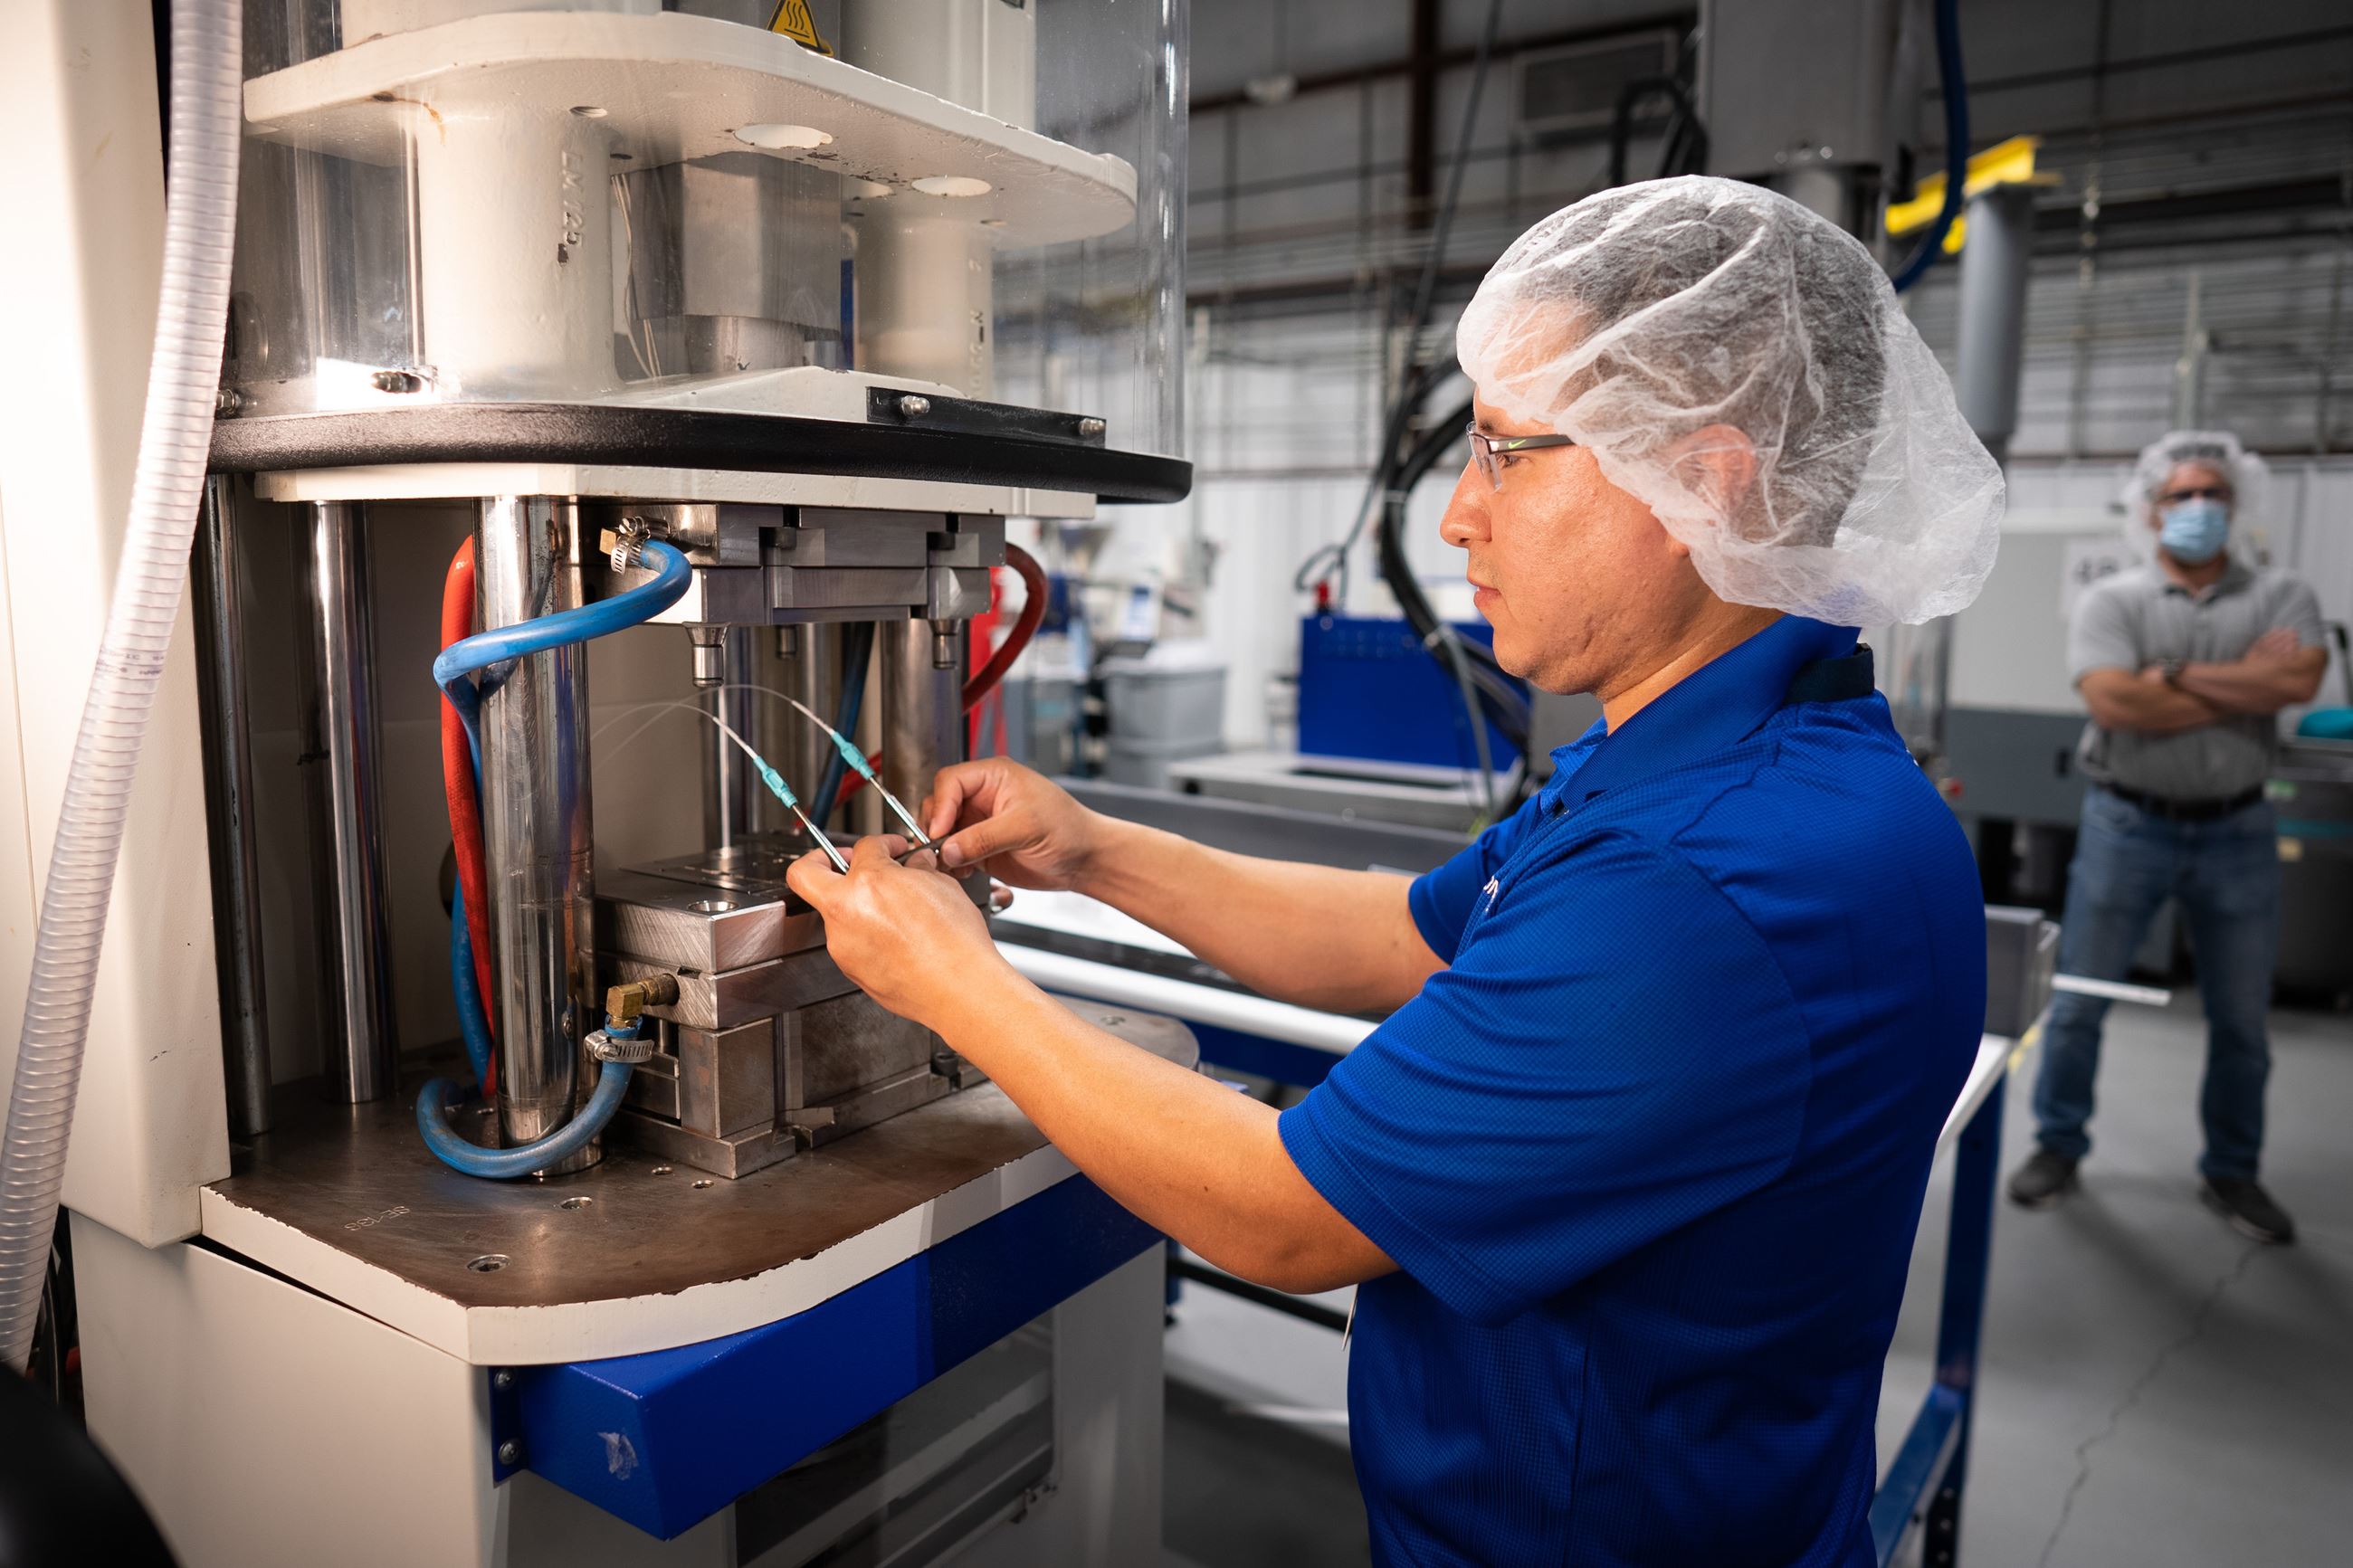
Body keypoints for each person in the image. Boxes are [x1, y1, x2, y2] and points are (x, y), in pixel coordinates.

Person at [787, 177, 2005, 1566]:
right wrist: (1093, 851)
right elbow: (1409, 937)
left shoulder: (1700, 881)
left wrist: (953, 978)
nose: (1457, 517)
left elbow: (1281, 1212)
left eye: (1506, 454)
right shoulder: (1755, 759)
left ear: (1705, 481)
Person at [2006, 432, 2326, 1243]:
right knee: (2081, 997)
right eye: (2181, 494)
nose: (2198, 507)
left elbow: (2299, 679)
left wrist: (2173, 675)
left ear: (2235, 502)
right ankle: (2058, 1144)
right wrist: (2244, 684)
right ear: (2152, 510)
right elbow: (2114, 702)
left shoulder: (2282, 593)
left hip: (2239, 828)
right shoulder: (2115, 599)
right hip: (2129, 824)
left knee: (2241, 1018)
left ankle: (2232, 1170)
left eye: (2212, 492)